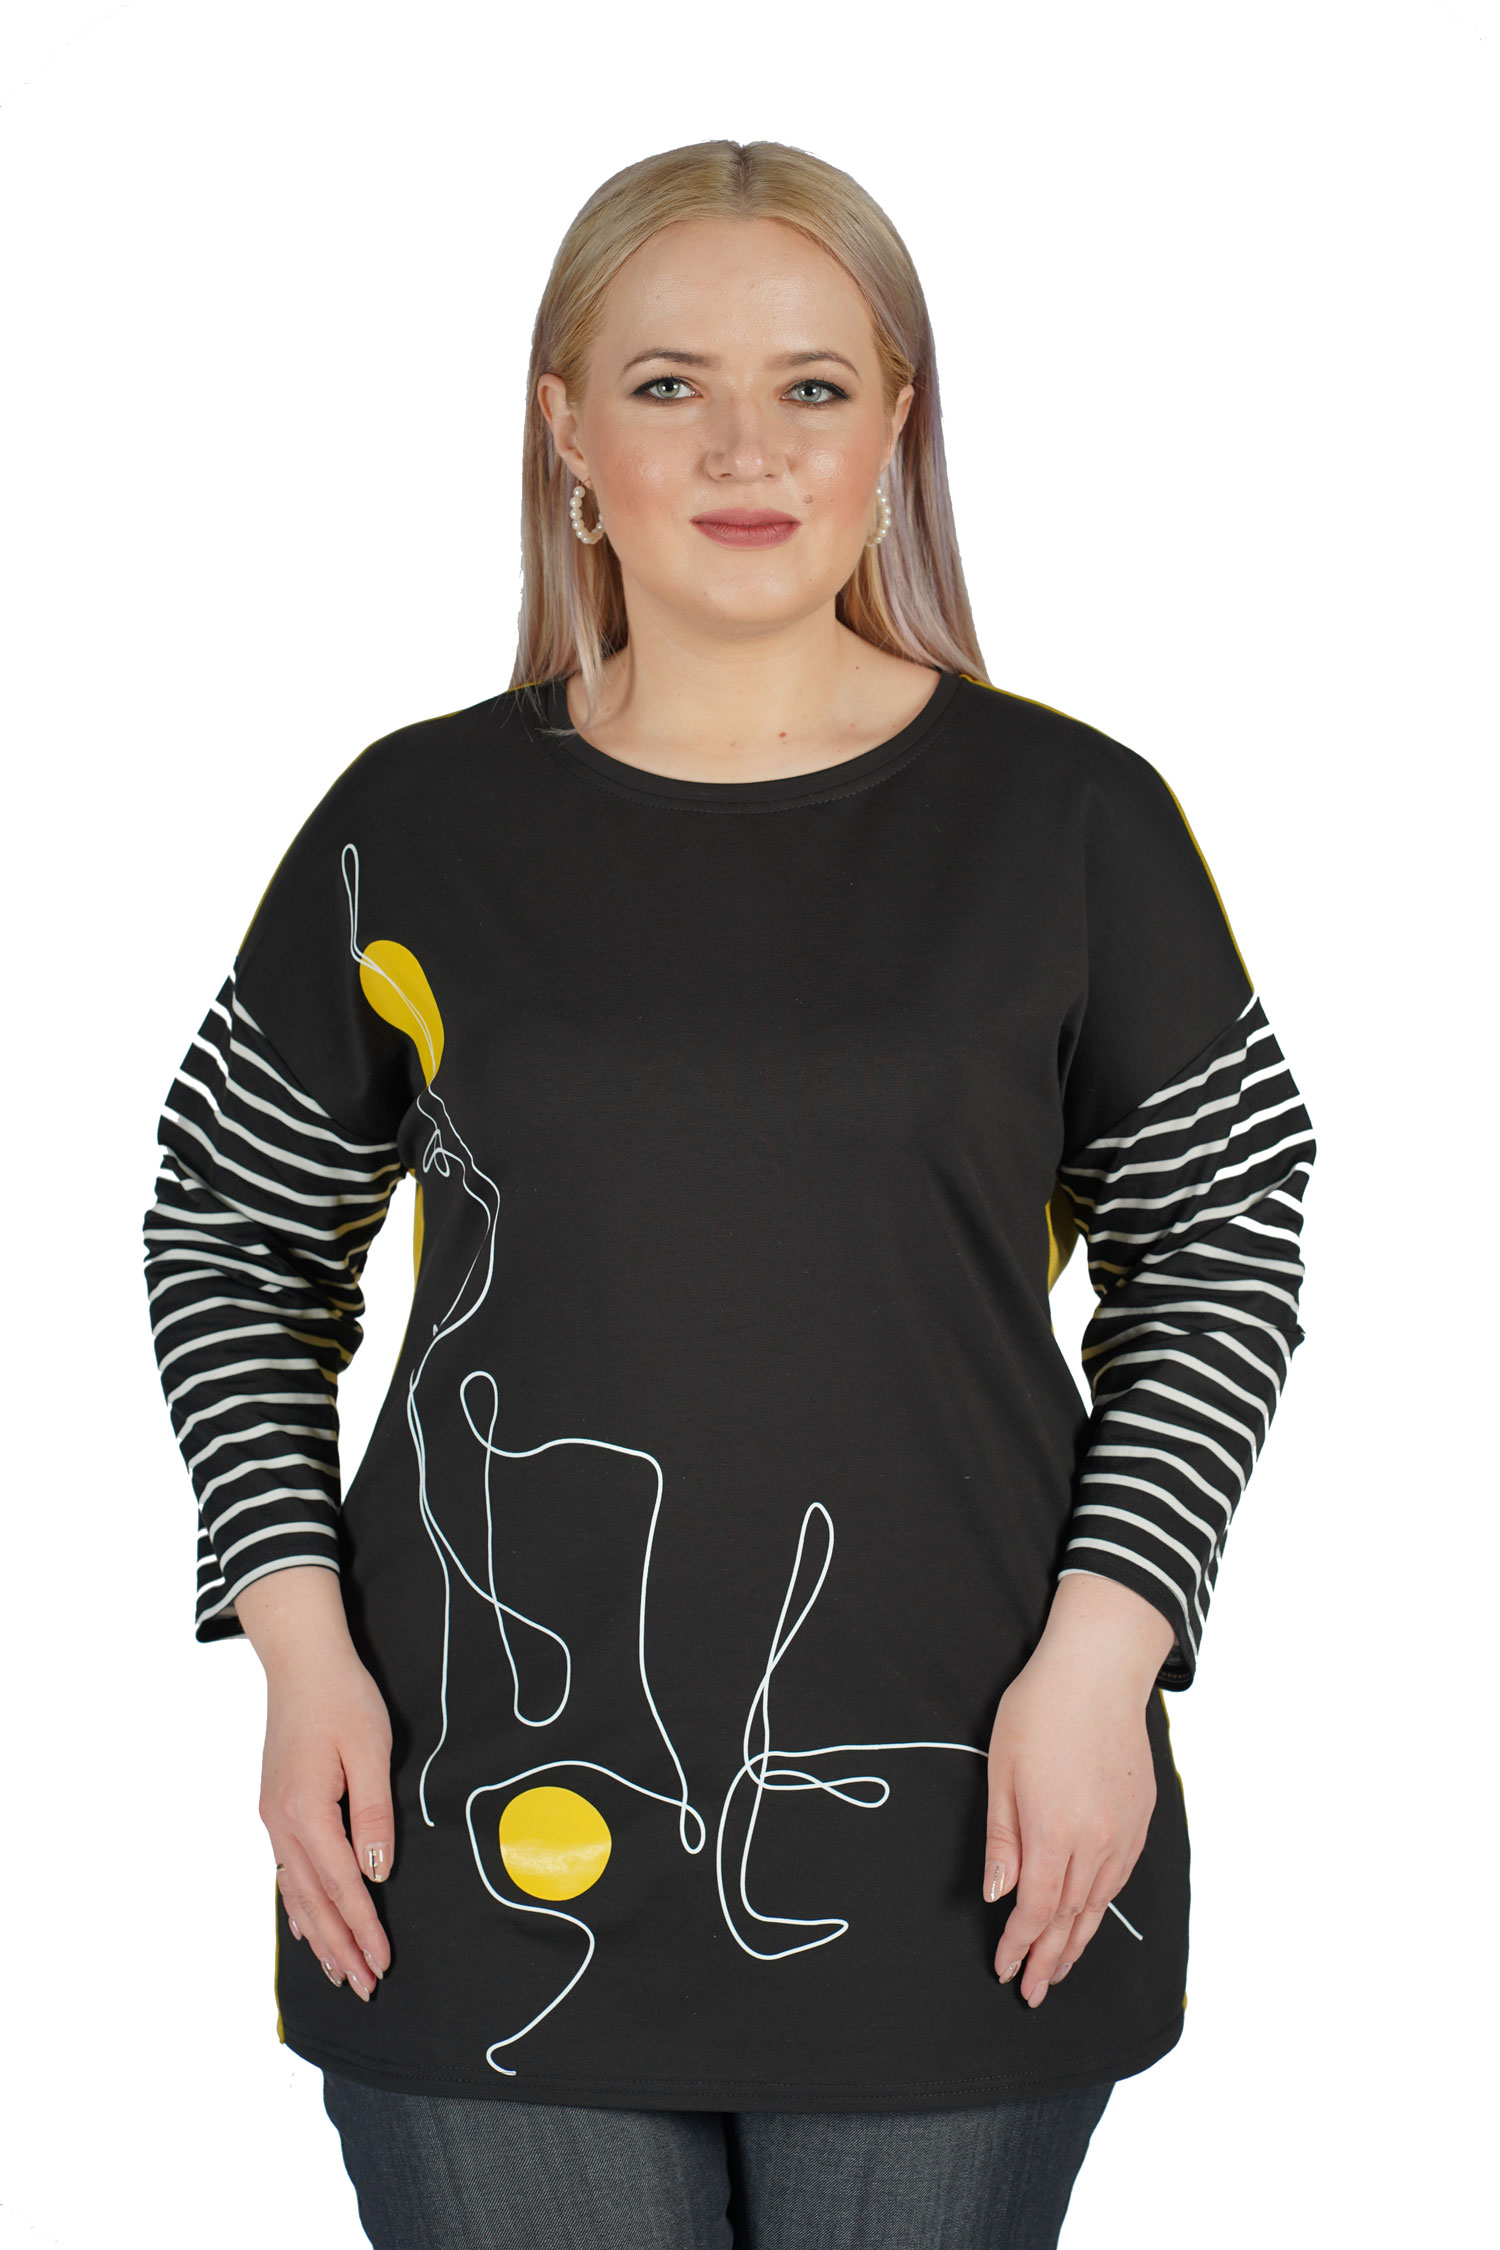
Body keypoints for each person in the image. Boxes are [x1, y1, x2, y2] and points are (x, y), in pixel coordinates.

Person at [142, 138, 1316, 2250]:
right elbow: (232, 1225)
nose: (744, 448)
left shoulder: (1070, 823)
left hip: (965, 1816)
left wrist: (1105, 1658)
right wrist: (296, 1643)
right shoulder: (411, 825)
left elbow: (1220, 1238)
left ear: (897, 426)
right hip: (474, 1820)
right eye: (670, 383)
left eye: (813, 386)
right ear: (567, 430)